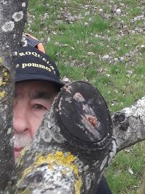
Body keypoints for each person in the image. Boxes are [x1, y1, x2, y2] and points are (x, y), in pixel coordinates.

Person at [14, 45, 112, 194]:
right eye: (6, 104)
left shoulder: (80, 179)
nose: (19, 124)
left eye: (38, 106)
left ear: (56, 117)